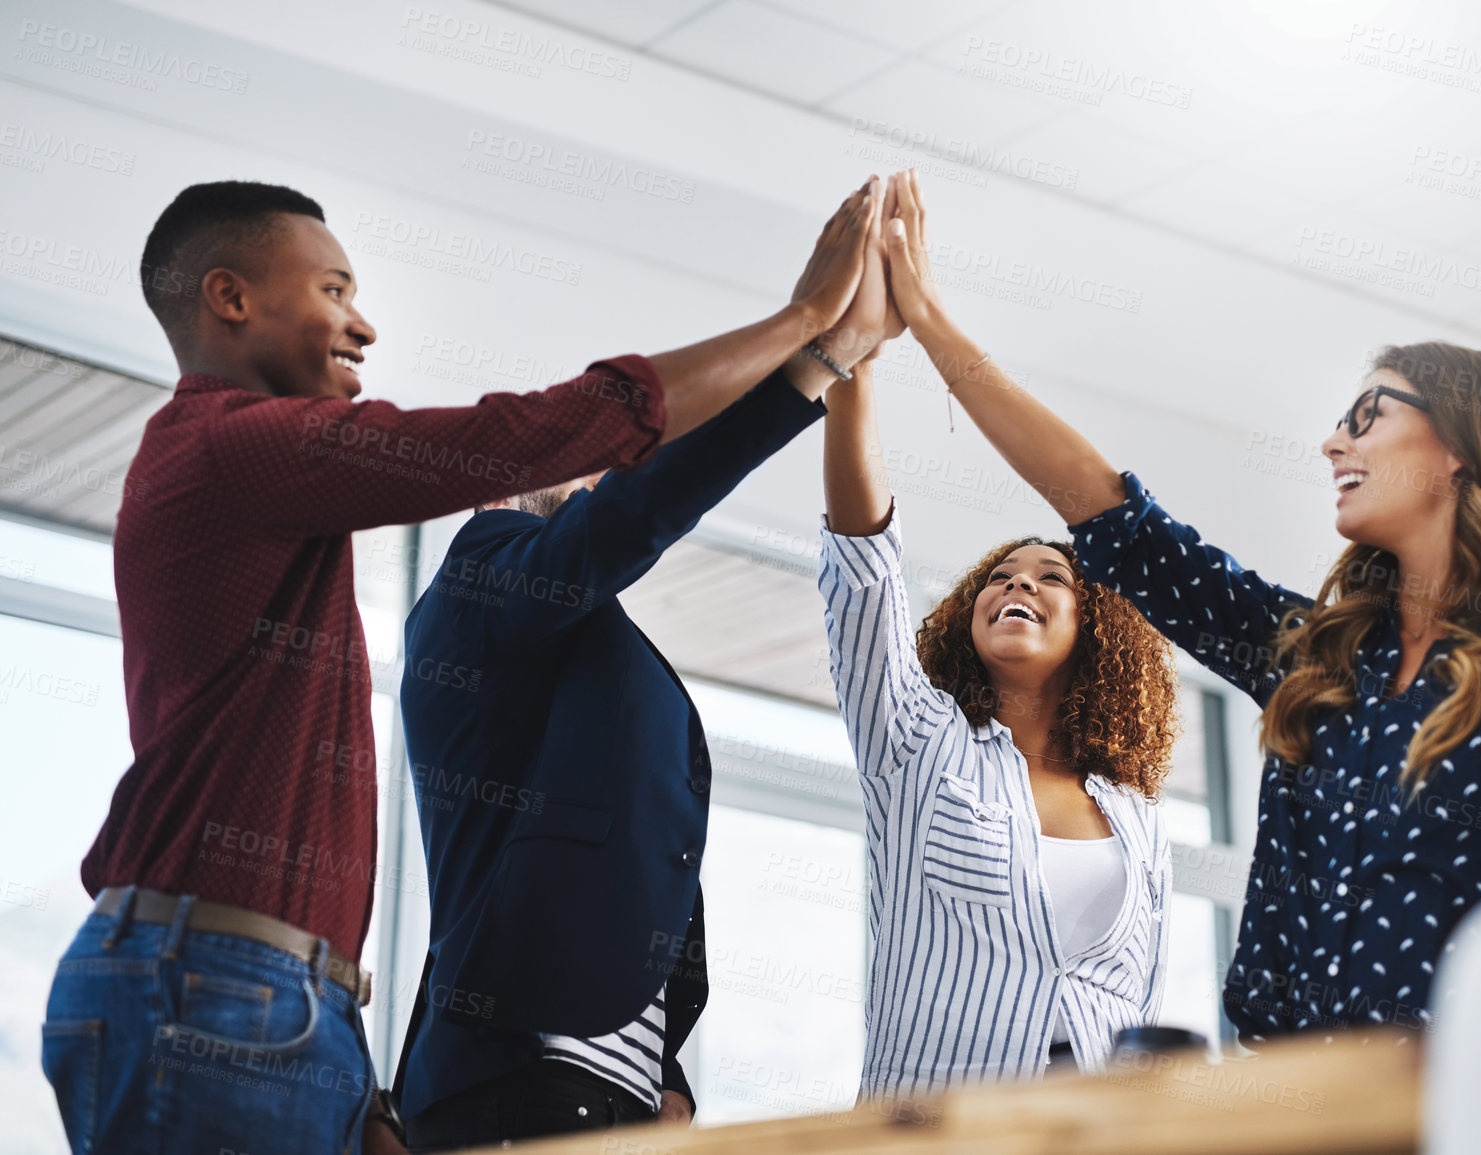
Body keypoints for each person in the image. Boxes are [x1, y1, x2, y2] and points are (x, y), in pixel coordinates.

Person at [41, 178, 875, 1154]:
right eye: (335, 292)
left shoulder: (254, 485)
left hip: (276, 995)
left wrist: (355, 1083)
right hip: (215, 985)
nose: (364, 326)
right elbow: (517, 446)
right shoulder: (229, 446)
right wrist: (806, 326)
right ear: (231, 299)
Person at [875, 169, 1481, 1043]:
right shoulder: (1322, 658)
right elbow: (1114, 517)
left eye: (1369, 414)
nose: (1333, 439)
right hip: (1295, 1108)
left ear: (1461, 445)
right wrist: (927, 323)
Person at [392, 181, 892, 1150]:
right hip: (524, 1079)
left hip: (608, 1092)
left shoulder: (571, 648)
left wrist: (663, 1068)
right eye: (576, 464)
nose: (596, 481)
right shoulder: (480, 580)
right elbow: (627, 521)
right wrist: (811, 361)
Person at [816, 183, 1182, 1095]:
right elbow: (863, 567)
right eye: (1000, 577)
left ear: (1097, 634)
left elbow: (1137, 1009)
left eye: (1049, 577)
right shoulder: (916, 746)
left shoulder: (1135, 816)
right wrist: (856, 358)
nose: (1017, 583)